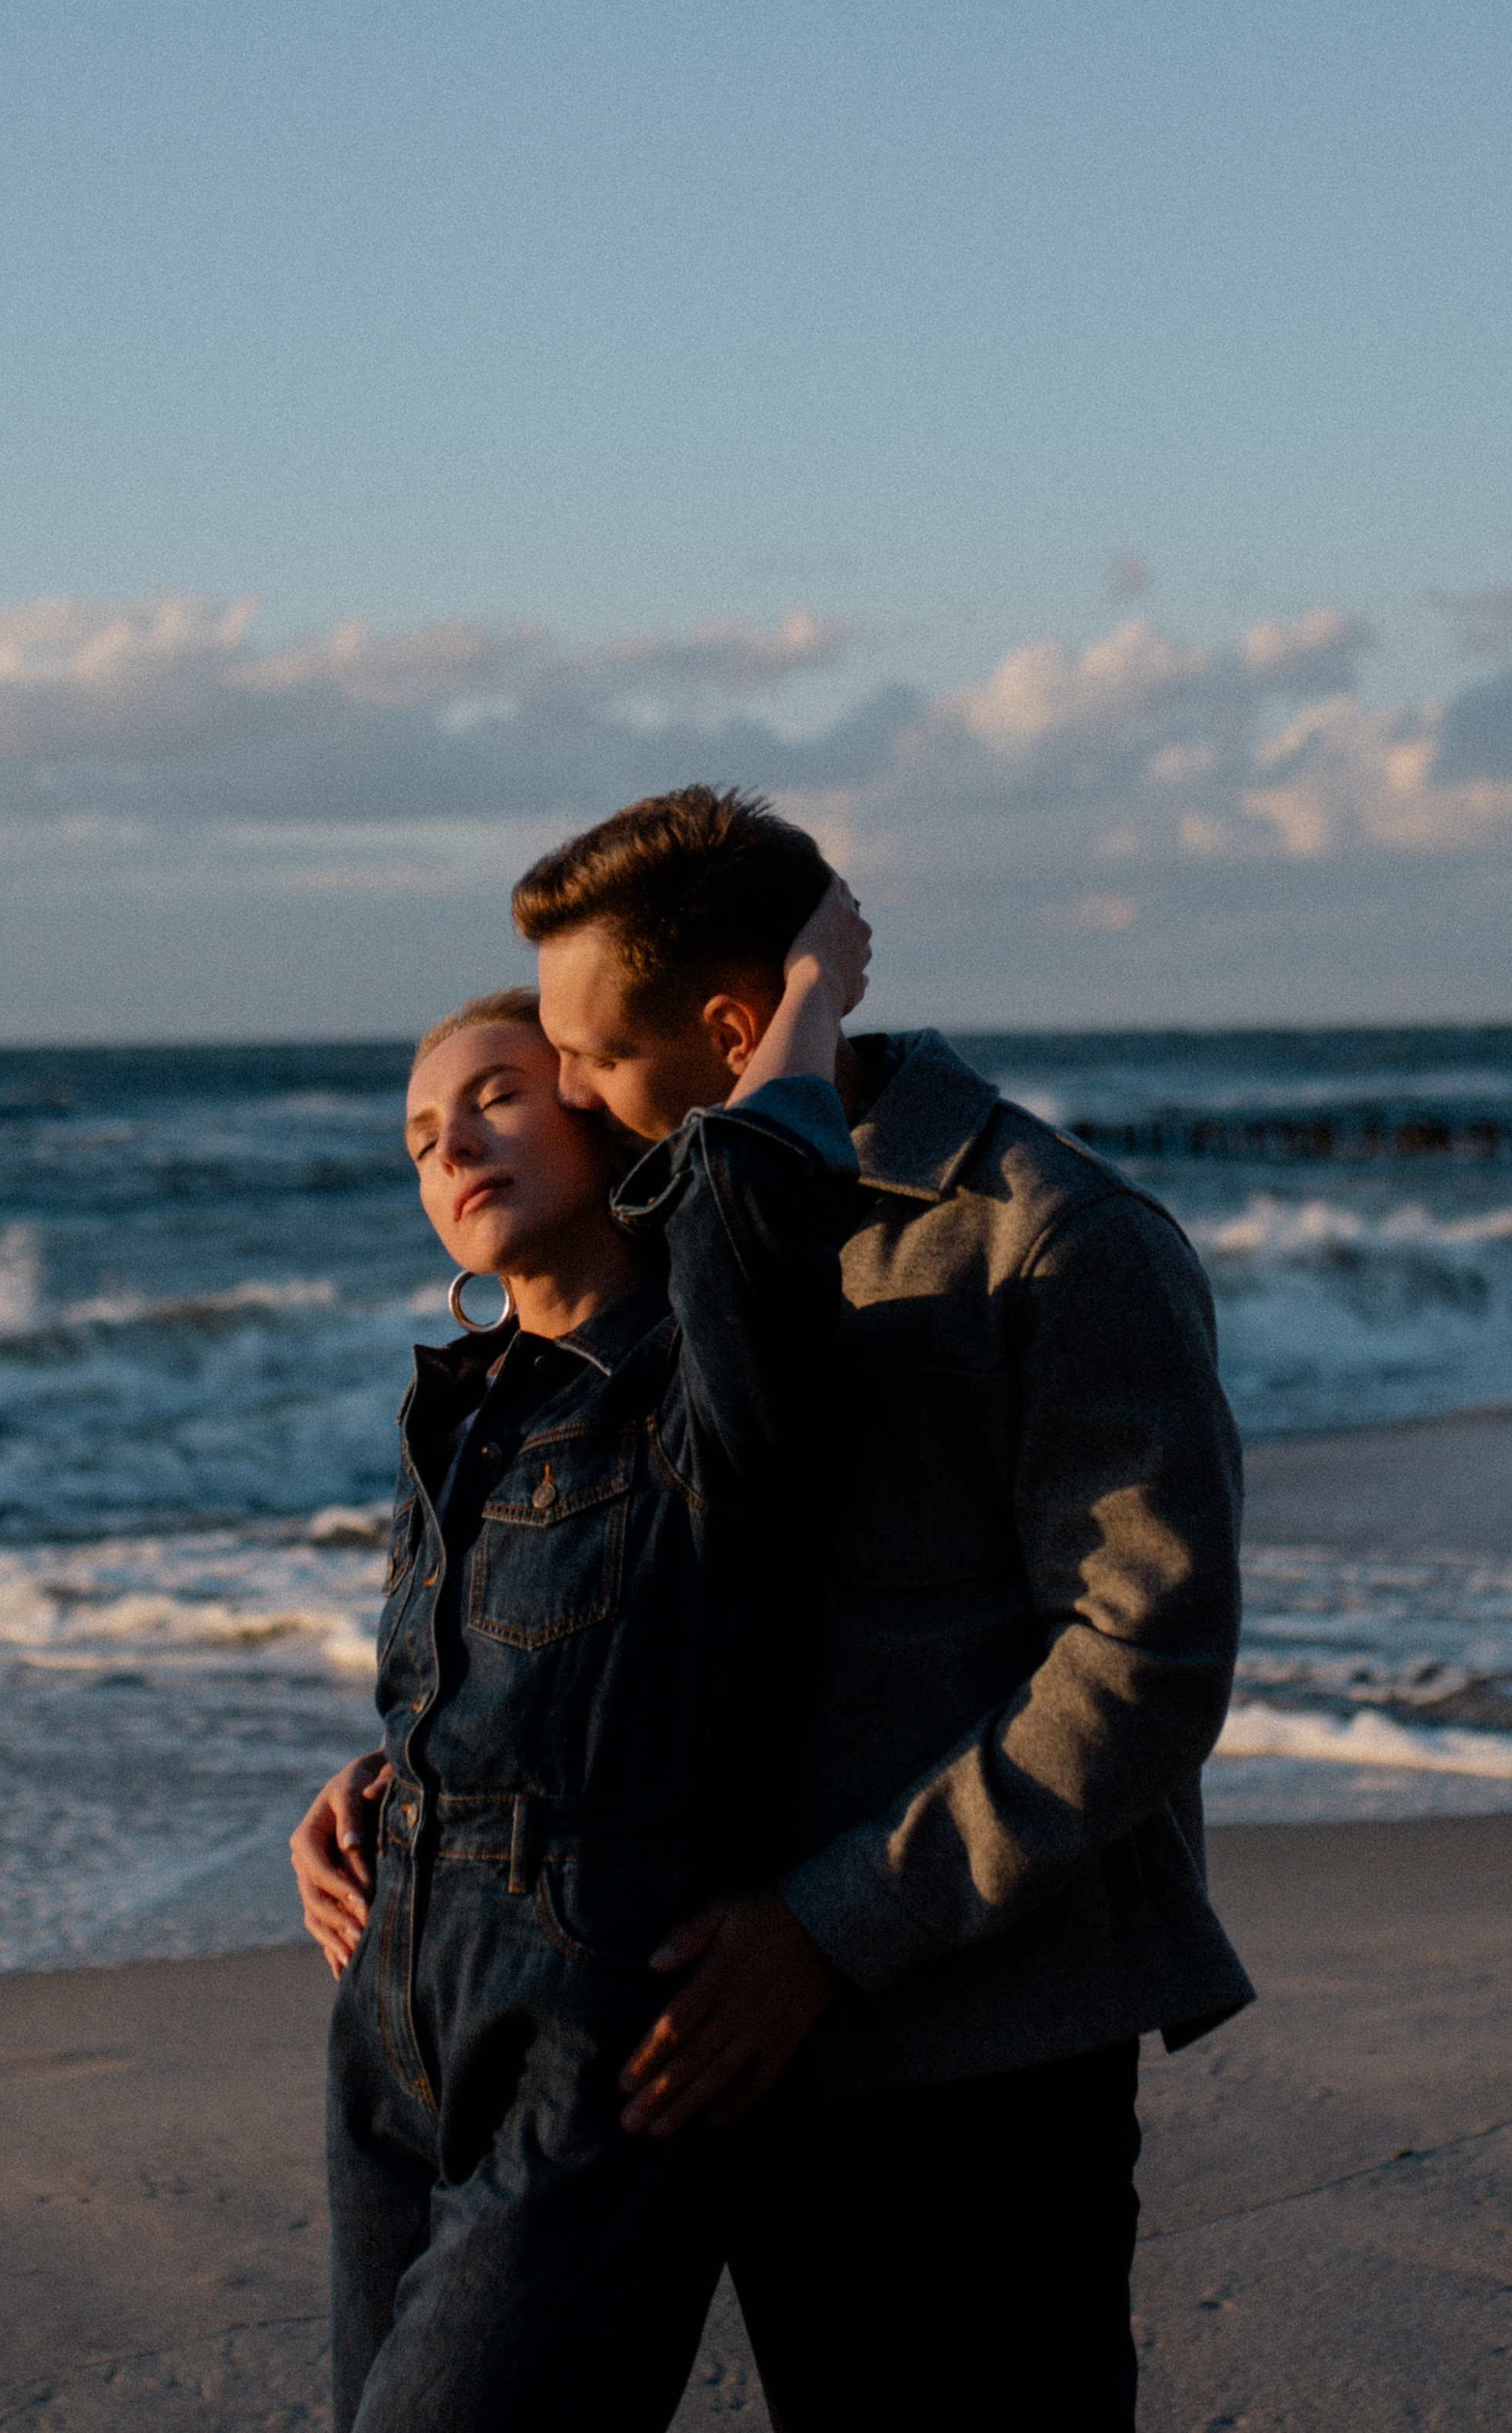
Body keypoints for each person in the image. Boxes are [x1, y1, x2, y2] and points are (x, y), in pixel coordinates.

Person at [295, 784, 1251, 2433]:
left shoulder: (1045, 1240)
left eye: (582, 1057)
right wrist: (427, 1784)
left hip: (967, 2036)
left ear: (732, 1030)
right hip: (699, 2033)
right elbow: (609, 1600)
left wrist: (827, 1925)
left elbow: (1141, 1665)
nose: (565, 1096)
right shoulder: (671, 1254)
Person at [308, 880, 872, 2433]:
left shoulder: (703, 1389)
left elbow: (756, 1189)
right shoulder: (458, 1411)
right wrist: (371, 1789)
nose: (453, 1148)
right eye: (421, 1138)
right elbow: (499, 1685)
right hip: (386, 2015)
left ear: (598, 1119)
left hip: (598, 2029)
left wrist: (810, 989)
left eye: (497, 1097)